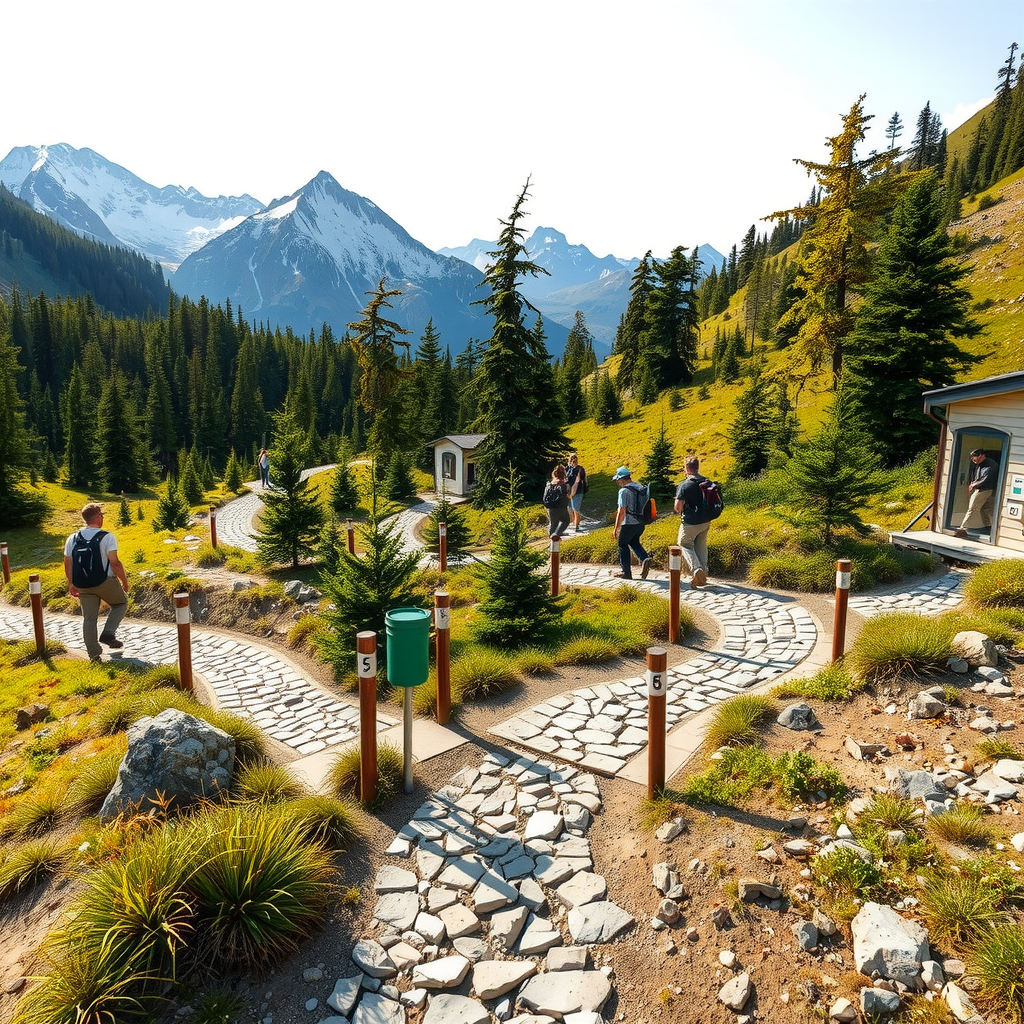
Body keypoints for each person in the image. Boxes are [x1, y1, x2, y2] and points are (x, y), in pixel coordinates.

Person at [63, 502, 130, 662]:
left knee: (89, 618)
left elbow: (68, 563)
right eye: (102, 515)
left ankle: (94, 655)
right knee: (121, 604)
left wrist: (71, 583)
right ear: (98, 517)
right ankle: (108, 633)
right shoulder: (107, 537)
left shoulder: (72, 538)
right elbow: (114, 563)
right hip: (105, 582)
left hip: (82, 584)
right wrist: (124, 581)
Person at [674, 455, 712, 588]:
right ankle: (703, 576)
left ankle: (697, 570)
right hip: (706, 521)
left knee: (684, 544)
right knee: (701, 546)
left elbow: (678, 507)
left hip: (690, 522)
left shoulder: (684, 484)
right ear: (697, 467)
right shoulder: (707, 481)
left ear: (686, 468)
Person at [611, 466, 652, 580]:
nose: (617, 482)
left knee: (622, 544)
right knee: (634, 541)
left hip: (629, 523)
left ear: (621, 479)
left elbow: (622, 511)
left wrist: (616, 528)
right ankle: (645, 558)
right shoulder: (639, 487)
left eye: (617, 480)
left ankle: (626, 573)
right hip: (641, 523)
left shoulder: (623, 491)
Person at [955, 448, 998, 538]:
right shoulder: (980, 464)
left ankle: (962, 528)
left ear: (981, 456)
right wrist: (973, 483)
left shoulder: (990, 465)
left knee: (972, 508)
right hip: (983, 489)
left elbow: (985, 480)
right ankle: (988, 526)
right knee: (985, 509)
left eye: (974, 457)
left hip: (984, 490)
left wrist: (973, 485)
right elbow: (977, 477)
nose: (972, 459)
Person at [543, 464, 571, 539]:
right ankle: (556, 534)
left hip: (551, 507)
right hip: (561, 507)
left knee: (553, 524)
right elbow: (568, 495)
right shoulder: (564, 484)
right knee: (566, 521)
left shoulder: (550, 484)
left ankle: (551, 541)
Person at [566, 453, 588, 532]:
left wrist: (585, 488)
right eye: (572, 459)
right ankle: (574, 522)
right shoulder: (568, 469)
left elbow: (584, 480)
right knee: (569, 509)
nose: (574, 461)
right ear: (570, 460)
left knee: (575, 508)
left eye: (575, 459)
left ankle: (577, 526)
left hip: (578, 491)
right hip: (568, 492)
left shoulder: (580, 469)